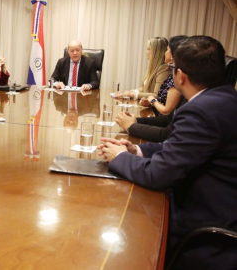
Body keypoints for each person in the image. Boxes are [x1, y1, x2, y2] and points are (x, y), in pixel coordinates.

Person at [98, 36, 237, 269]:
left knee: (123, 231)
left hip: (206, 232)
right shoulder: (226, 98)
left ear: (180, 76)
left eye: (172, 69)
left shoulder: (201, 110)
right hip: (222, 207)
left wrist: (120, 158)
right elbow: (179, 147)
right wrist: (137, 149)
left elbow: (158, 175)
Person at [139, 36, 187, 115]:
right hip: (158, 114)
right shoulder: (172, 73)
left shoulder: (174, 75)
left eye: (167, 50)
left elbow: (166, 110)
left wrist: (152, 100)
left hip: (163, 119)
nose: (165, 52)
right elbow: (161, 100)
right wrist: (150, 102)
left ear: (173, 54)